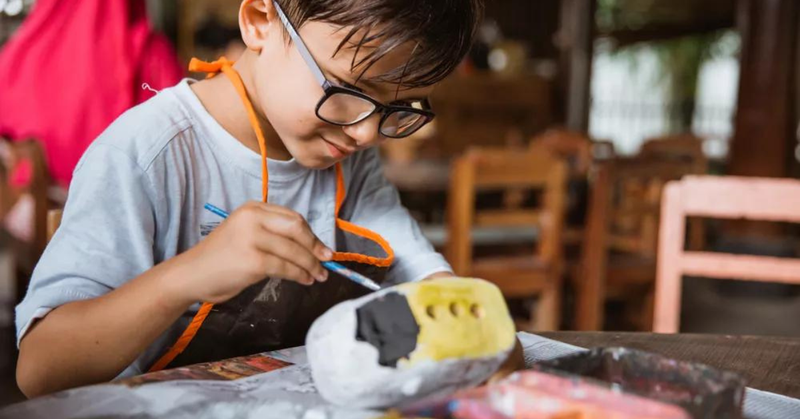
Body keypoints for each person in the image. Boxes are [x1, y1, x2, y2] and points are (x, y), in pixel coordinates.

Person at [16, 0, 520, 398]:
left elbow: (427, 280)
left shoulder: (349, 156)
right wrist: (188, 274)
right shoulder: (146, 153)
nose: (367, 132)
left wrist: (486, 335)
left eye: (399, 105)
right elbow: (40, 370)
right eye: (347, 88)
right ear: (259, 20)